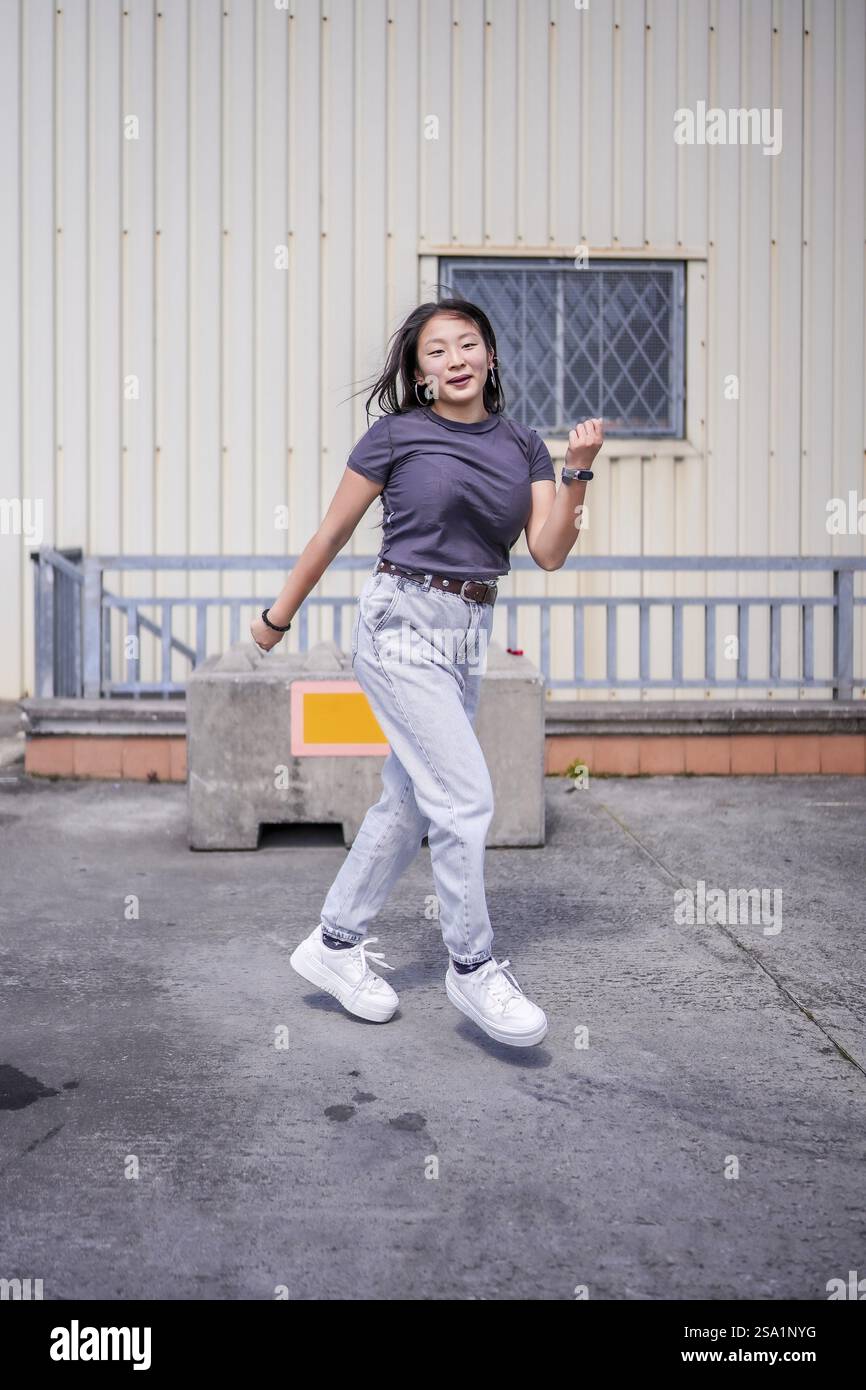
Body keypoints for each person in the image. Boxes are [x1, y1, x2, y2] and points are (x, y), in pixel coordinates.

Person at [250, 296, 603, 1048]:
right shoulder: (397, 436)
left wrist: (578, 472)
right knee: (465, 796)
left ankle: (335, 944)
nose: (456, 359)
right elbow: (332, 531)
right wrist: (277, 617)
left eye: (468, 344)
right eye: (437, 352)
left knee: (410, 802)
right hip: (401, 622)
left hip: (470, 630)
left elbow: (547, 549)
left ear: (492, 357)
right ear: (420, 374)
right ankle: (472, 966)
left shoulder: (524, 446)